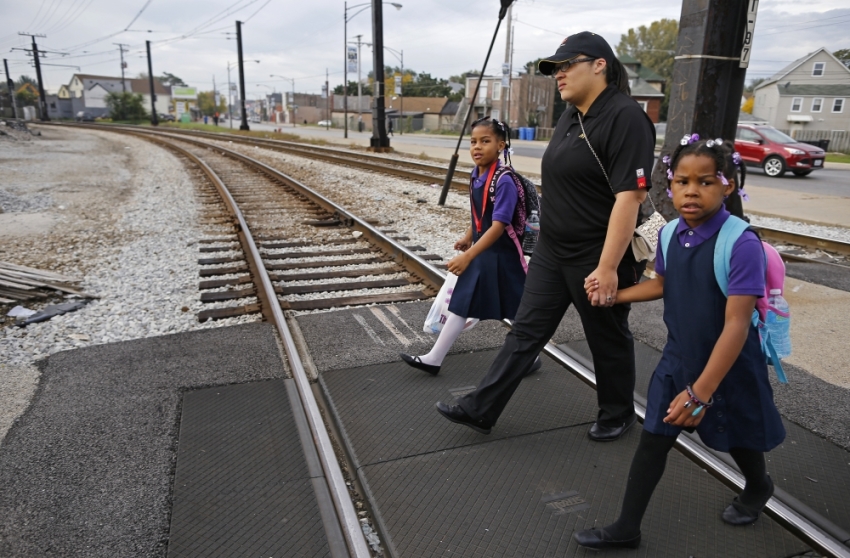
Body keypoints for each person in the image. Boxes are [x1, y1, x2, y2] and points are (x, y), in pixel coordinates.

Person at [435, 31, 655, 441]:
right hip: (555, 251)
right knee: (525, 332)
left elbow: (630, 197)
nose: (558, 74)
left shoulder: (625, 117)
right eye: (555, 68)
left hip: (597, 253)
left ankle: (617, 413)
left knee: (606, 337)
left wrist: (608, 267)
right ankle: (482, 409)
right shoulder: (571, 115)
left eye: (566, 65)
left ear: (599, 65)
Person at [575, 136, 785, 550]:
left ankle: (759, 486)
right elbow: (664, 285)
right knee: (653, 438)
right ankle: (626, 527)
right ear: (669, 187)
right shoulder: (671, 234)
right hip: (678, 361)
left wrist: (702, 391)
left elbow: (737, 324)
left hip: (728, 368)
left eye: (705, 181)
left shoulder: (742, 244)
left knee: (740, 438)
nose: (691, 191)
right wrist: (614, 295)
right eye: (681, 181)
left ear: (727, 185)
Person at [400, 118, 539, 385]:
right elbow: (480, 213)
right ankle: (434, 358)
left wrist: (469, 255)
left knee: (515, 308)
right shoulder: (477, 174)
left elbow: (499, 225)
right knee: (466, 303)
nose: (477, 147)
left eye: (485, 141)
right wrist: (468, 237)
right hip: (486, 252)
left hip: (502, 254)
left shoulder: (504, 179)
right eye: (473, 142)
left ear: (501, 145)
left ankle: (529, 357)